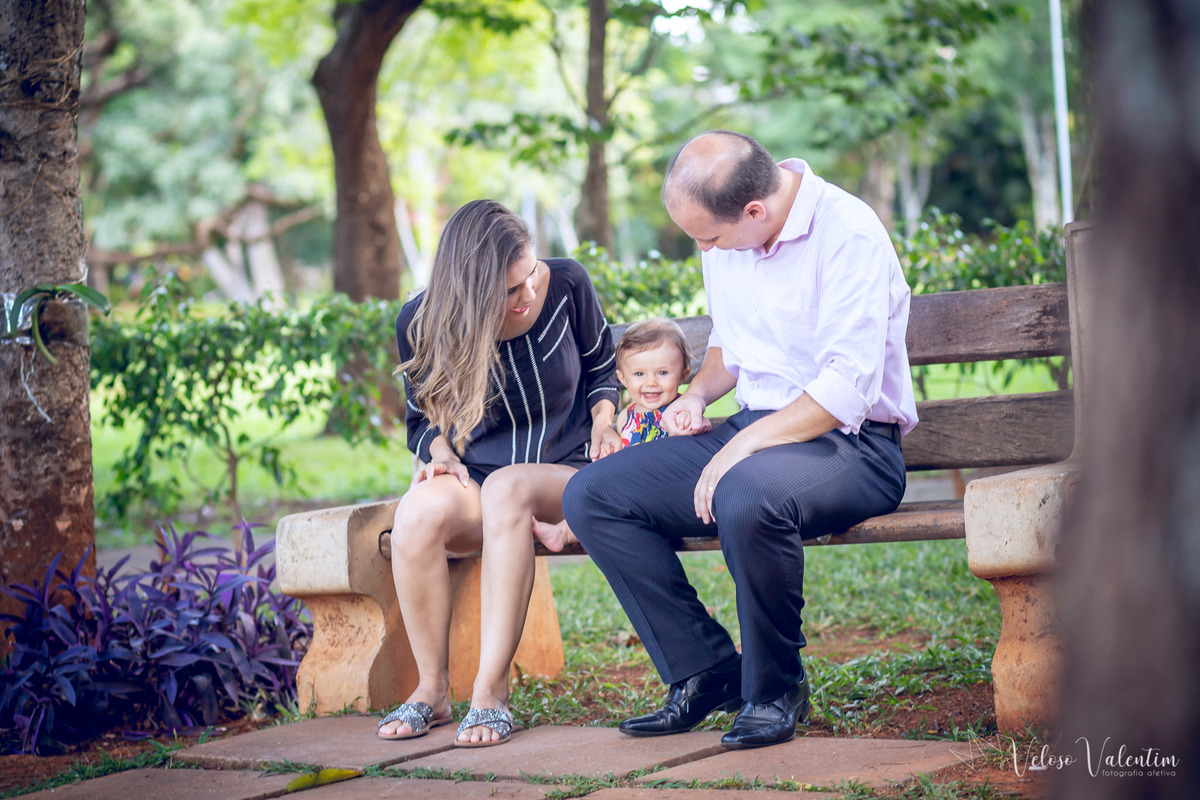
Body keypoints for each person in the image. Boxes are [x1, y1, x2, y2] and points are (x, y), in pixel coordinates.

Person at [562, 130, 918, 749]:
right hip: (755, 430)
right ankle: (705, 671)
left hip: (854, 445)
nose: (704, 249)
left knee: (746, 492)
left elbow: (845, 391)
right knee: (591, 494)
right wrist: (697, 395)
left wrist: (737, 449)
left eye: (709, 238)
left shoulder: (849, 234)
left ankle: (776, 688)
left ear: (754, 211)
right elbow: (730, 345)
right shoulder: (731, 237)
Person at [378, 199, 621, 747]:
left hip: (569, 470)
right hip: (482, 479)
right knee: (416, 513)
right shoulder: (420, 321)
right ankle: (433, 690)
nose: (529, 292)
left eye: (531, 273)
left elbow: (603, 368)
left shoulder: (567, 284)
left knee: (509, 489)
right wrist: (439, 450)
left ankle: (490, 693)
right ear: (472, 292)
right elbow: (419, 418)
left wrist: (605, 421)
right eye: (511, 290)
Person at [531, 317, 693, 552]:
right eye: (639, 374)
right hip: (632, 496)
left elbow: (690, 457)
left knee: (613, 500)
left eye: (662, 372)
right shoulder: (627, 417)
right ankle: (562, 532)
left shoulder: (681, 411)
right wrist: (611, 453)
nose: (650, 382)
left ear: (683, 375)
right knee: (597, 496)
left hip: (666, 497)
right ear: (623, 378)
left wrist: (690, 426)